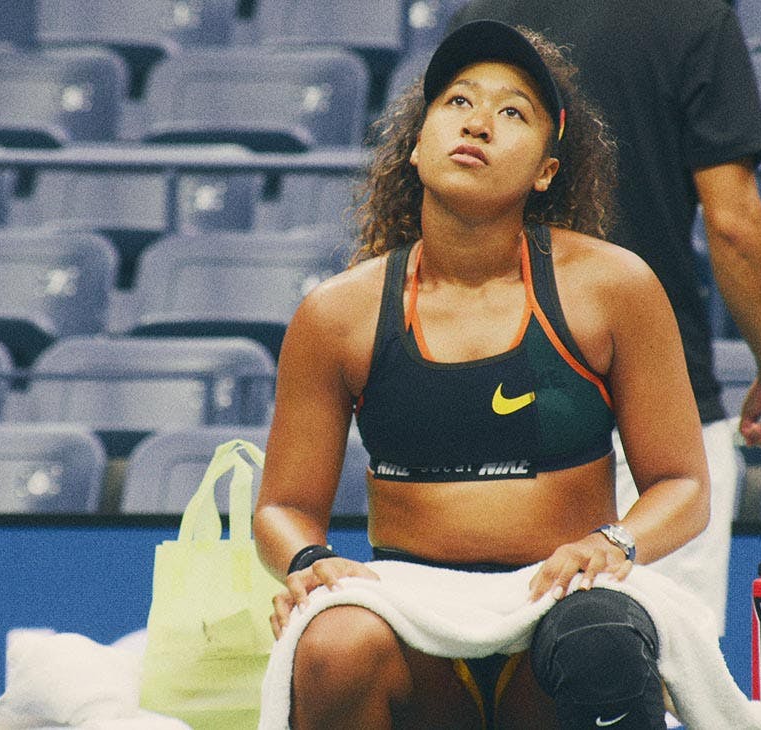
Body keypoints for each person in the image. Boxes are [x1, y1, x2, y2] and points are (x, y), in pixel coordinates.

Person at [254, 20, 710, 730]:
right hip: (415, 621)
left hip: (558, 605)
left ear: (546, 171)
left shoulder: (612, 288)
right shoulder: (336, 314)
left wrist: (611, 544)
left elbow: (682, 487)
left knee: (601, 642)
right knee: (333, 641)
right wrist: (308, 560)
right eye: (457, 102)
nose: (478, 124)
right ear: (414, 144)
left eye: (511, 112)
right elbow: (280, 507)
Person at [451, 0, 761, 635]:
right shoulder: (697, 18)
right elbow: (732, 221)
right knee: (667, 660)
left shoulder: (478, 18)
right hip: (654, 405)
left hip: (490, 396)